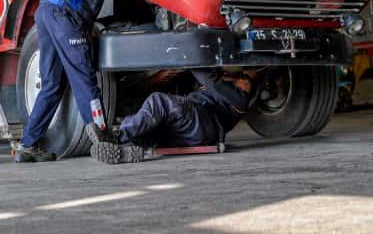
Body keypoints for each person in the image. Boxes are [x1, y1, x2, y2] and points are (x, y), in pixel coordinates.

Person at [14, 0, 112, 163]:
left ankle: (27, 145)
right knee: (84, 78)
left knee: (51, 84)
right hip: (64, 16)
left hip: (45, 14)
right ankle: (104, 139)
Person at [86, 68, 256, 165]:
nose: (242, 79)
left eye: (245, 78)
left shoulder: (240, 99)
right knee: (151, 129)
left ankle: (115, 138)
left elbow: (208, 77)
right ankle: (126, 150)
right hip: (189, 133)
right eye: (242, 76)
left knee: (159, 102)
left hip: (205, 125)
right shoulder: (217, 89)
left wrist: (189, 54)